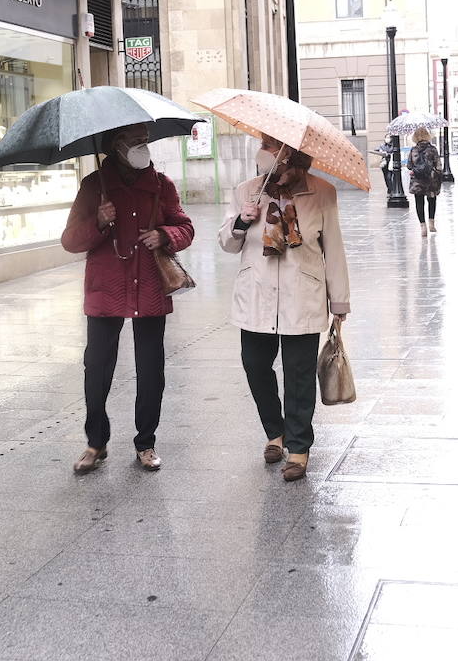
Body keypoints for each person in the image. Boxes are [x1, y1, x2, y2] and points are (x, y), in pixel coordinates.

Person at [61, 124, 195, 474]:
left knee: (151, 369)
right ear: (115, 147)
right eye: (133, 141)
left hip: (149, 286)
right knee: (96, 368)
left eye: (144, 141)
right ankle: (96, 442)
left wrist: (165, 235)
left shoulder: (161, 186)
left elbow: (186, 227)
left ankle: (146, 442)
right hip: (106, 288)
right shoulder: (94, 186)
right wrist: (99, 222)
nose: (141, 147)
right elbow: (71, 240)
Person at [220, 136, 350, 482]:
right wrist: (241, 222)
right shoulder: (247, 190)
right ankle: (274, 433)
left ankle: (298, 447)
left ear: (293, 159)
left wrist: (339, 301)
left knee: (299, 376)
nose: (267, 157)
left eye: (276, 151)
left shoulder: (322, 193)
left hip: (302, 296)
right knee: (255, 367)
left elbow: (333, 248)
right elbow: (227, 244)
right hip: (256, 297)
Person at [407, 128, 443, 236]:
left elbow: (409, 166)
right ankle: (431, 223)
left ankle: (423, 227)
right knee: (432, 200)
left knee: (419, 202)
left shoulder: (413, 150)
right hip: (431, 180)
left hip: (417, 180)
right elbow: (438, 166)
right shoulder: (433, 149)